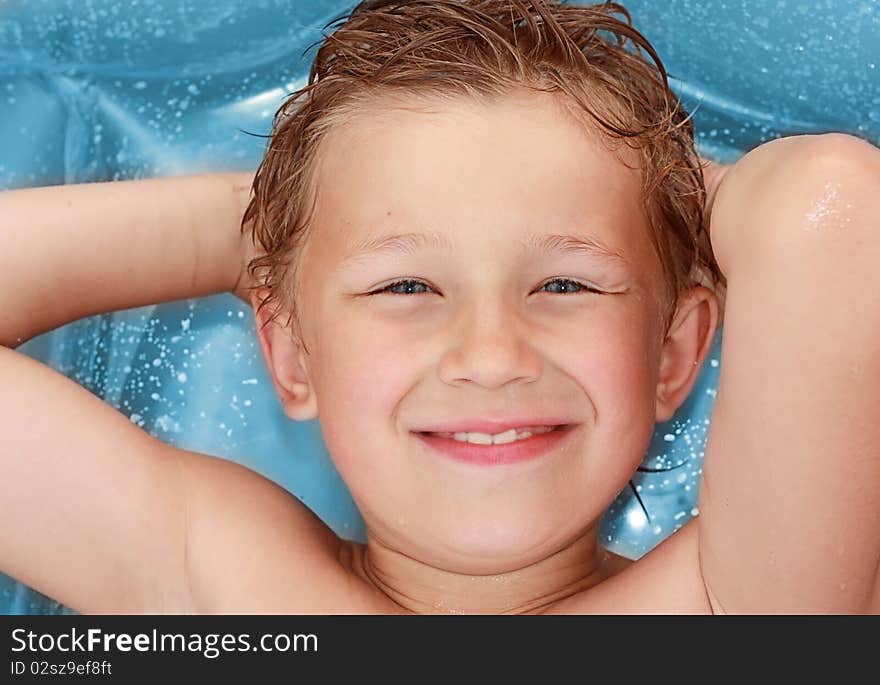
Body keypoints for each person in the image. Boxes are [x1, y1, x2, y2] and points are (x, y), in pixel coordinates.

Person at [1, 0, 878, 614]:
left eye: (565, 284)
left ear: (673, 353)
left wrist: (662, 202)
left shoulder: (749, 603)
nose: (491, 354)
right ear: (292, 354)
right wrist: (255, 225)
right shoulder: (217, 583)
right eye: (406, 286)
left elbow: (832, 207)